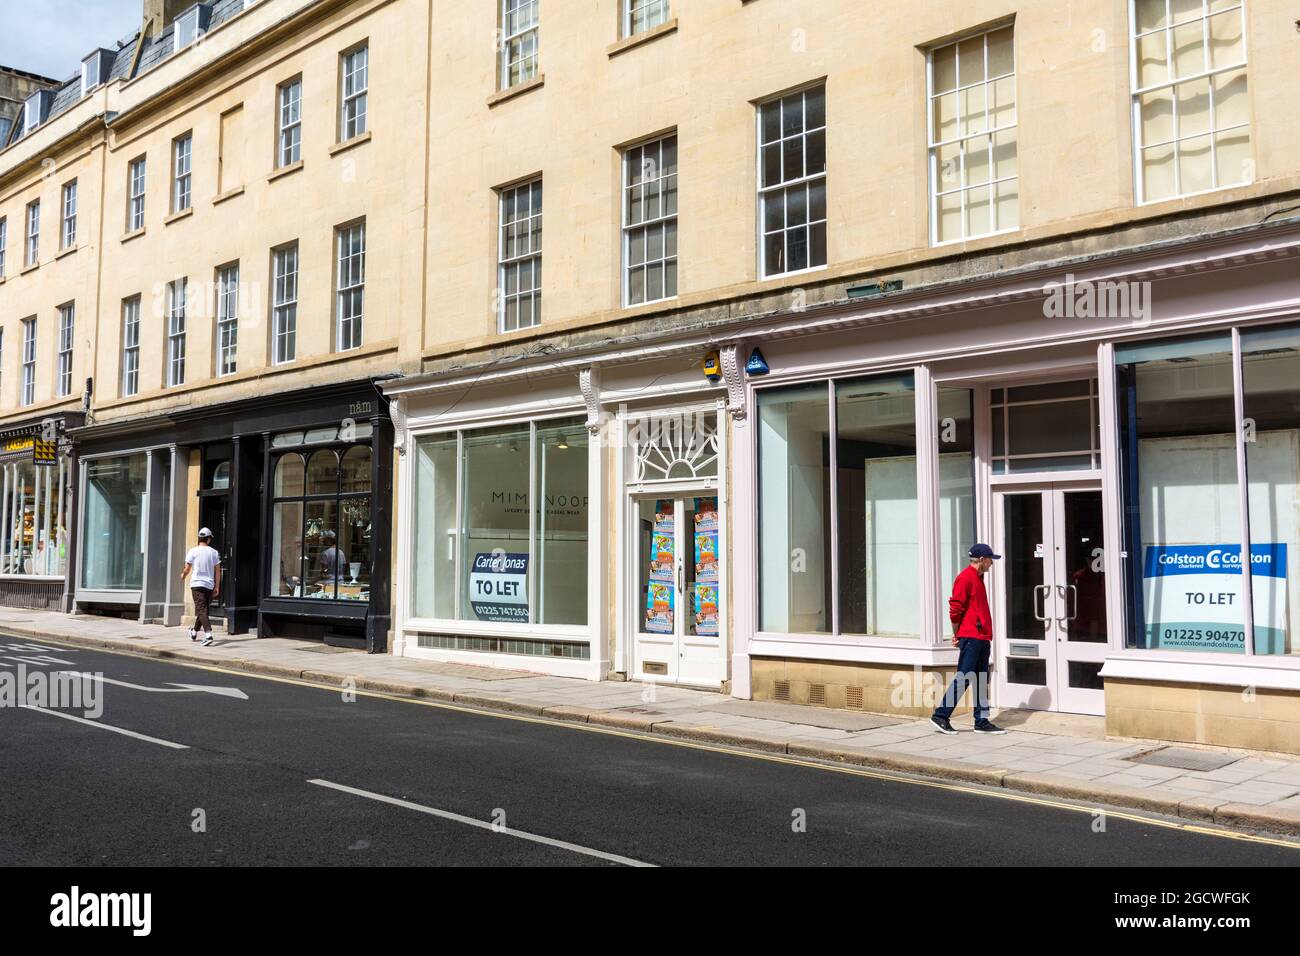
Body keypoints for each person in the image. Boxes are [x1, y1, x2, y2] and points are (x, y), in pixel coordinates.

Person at [931, 543, 1007, 735]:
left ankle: (981, 720)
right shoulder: (965, 578)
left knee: (982, 678)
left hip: (981, 637)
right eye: (990, 560)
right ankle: (940, 716)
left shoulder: (978, 578)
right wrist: (957, 634)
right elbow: (955, 609)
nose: (992, 564)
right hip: (971, 637)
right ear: (982, 560)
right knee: (964, 677)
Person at [181, 527, 222, 647]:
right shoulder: (214, 552)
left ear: (200, 538)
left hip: (197, 585)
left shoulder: (192, 551)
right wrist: (217, 586)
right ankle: (194, 632)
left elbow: (187, 569)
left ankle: (208, 635)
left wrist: (183, 575)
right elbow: (218, 571)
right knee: (203, 610)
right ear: (208, 539)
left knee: (202, 610)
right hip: (209, 585)